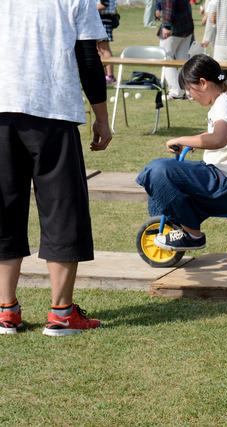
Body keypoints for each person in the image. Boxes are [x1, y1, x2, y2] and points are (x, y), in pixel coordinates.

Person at [0, 0, 112, 336]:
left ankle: (6, 310)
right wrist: (102, 118)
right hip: (53, 111)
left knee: (4, 208)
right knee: (63, 209)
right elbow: (89, 59)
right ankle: (62, 313)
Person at [136, 55, 227, 251]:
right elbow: (217, 135)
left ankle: (192, 234)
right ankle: (176, 226)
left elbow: (218, 139)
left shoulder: (223, 104)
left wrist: (182, 140)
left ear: (203, 83)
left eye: (190, 90)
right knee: (163, 170)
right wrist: (191, 143)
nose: (190, 96)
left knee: (157, 170)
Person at [158, 0, 195, 100]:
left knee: (166, 59)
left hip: (174, 29)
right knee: (182, 60)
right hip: (186, 27)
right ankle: (187, 91)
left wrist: (166, 26)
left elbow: (168, 5)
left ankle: (176, 91)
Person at [96, 0, 117, 85]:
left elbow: (104, 4)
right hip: (100, 20)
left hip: (104, 20)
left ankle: (110, 76)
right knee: (99, 49)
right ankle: (104, 75)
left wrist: (88, 10)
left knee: (104, 48)